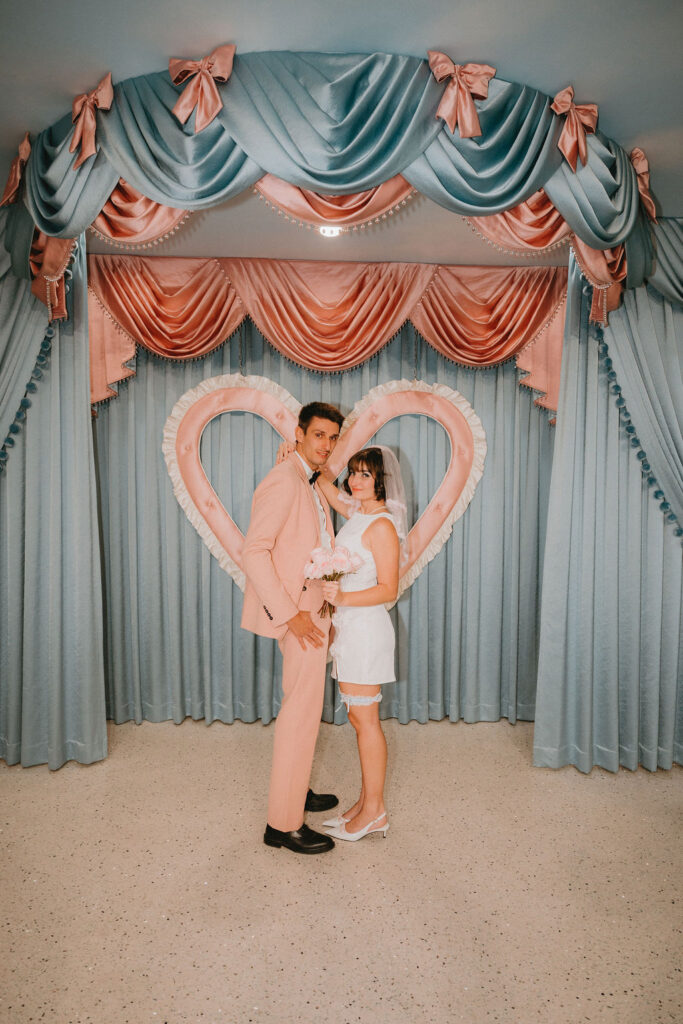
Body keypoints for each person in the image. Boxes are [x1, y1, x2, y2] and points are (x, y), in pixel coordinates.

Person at [241, 401, 345, 855]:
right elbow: (254, 553)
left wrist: (328, 608)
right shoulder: (283, 481)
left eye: (333, 437)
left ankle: (295, 789)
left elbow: (317, 544)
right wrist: (291, 614)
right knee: (300, 715)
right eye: (319, 435)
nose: (326, 445)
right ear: (300, 433)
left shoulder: (307, 479)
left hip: (314, 611)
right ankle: (282, 825)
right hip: (297, 617)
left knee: (306, 712)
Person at [317, 445, 408, 843]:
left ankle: (375, 812)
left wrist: (342, 598)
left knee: (366, 722)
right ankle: (364, 803)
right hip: (349, 628)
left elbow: (389, 589)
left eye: (365, 474)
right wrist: (299, 459)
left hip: (366, 629)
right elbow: (323, 483)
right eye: (353, 472)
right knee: (357, 719)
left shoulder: (382, 525)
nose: (354, 480)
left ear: (382, 482)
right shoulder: (357, 514)